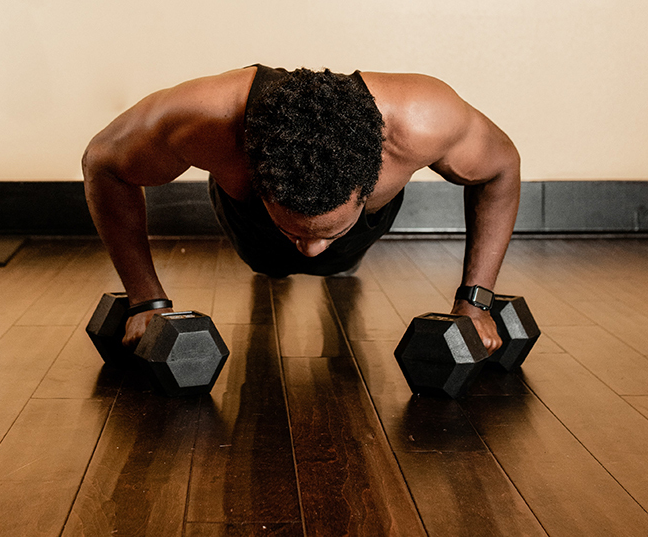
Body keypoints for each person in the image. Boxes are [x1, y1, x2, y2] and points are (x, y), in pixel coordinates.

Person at [82, 65, 520, 353]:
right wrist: (145, 300)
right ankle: (294, 232)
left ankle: (323, 235)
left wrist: (475, 301)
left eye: (326, 233)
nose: (311, 250)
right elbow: (102, 163)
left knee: (332, 261)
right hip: (251, 234)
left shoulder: (424, 120)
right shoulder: (201, 120)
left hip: (361, 234)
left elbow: (501, 168)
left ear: (373, 180)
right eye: (299, 234)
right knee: (272, 261)